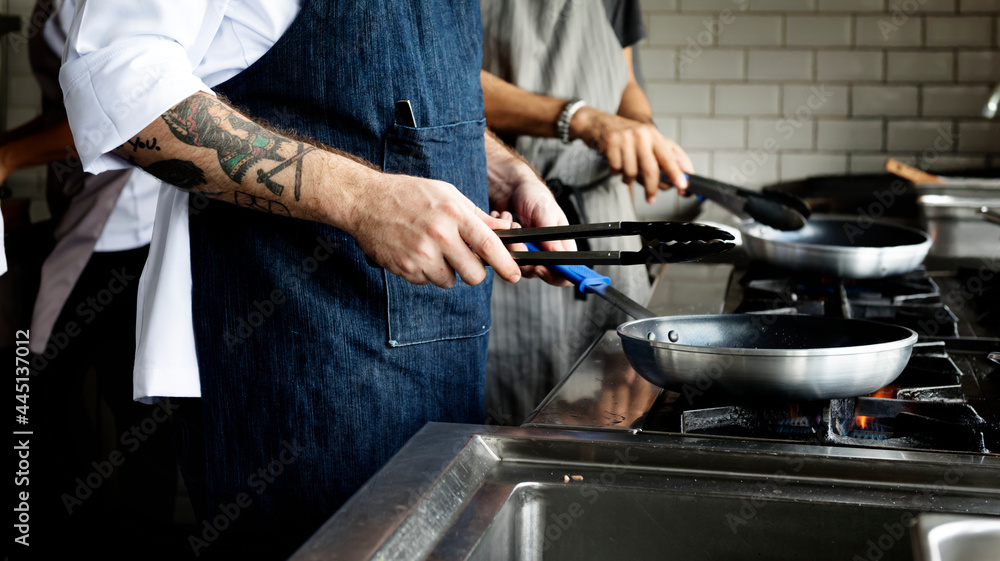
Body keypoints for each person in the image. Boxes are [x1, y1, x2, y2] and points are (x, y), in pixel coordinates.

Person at [60, 1, 571, 557]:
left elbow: (394, 87)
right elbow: (120, 90)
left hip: (440, 354)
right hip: (287, 356)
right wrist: (362, 199)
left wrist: (501, 171)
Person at [3, 1, 178, 557]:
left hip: (132, 228)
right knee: (69, 400)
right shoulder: (52, 6)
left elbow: (124, 112)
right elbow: (71, 112)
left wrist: (8, 156)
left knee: (104, 408)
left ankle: (40, 537)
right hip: (88, 222)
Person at [480, 0, 695, 425]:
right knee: (519, 420)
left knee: (621, 406)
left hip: (603, 213)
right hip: (508, 218)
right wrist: (580, 119)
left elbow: (624, 78)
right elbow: (445, 86)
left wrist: (638, 128)